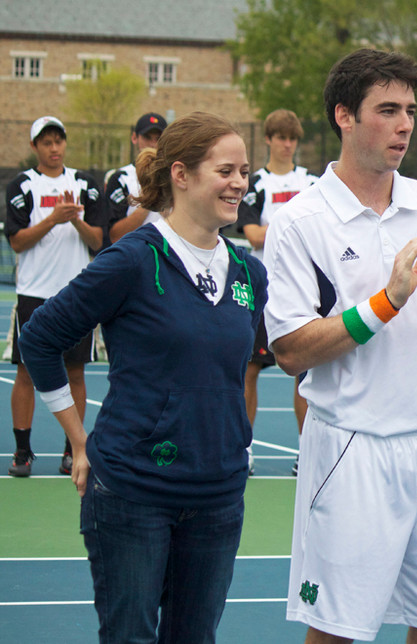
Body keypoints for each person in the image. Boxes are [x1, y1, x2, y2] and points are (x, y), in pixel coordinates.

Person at [263, 48, 417, 644]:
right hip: (350, 446)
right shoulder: (300, 219)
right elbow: (289, 349)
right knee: (337, 631)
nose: (404, 124)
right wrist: (385, 302)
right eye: (387, 110)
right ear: (344, 116)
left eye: (410, 110)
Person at [17, 111, 267, 643]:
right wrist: (78, 439)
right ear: (181, 174)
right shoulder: (131, 260)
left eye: (244, 170)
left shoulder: (250, 273)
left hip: (219, 496)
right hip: (133, 493)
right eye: (226, 170)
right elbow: (39, 338)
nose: (240, 182)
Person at [5, 116, 104, 477]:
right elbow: (16, 240)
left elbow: (97, 241)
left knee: (75, 372)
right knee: (27, 373)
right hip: (34, 292)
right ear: (34, 147)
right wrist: (53, 219)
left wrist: (75, 220)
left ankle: (72, 449)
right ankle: (22, 451)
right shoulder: (22, 185)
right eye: (46, 142)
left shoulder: (84, 184)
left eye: (58, 140)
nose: (54, 147)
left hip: (75, 292)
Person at [237, 108, 316, 475]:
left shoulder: (312, 182)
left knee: (305, 375)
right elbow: (252, 234)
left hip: (304, 292)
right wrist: (296, 225)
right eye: (281, 137)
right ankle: (244, 451)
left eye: (293, 138)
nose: (287, 144)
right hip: (261, 290)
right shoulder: (255, 184)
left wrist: (278, 226)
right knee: (249, 371)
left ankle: (308, 453)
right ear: (268, 139)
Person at [105, 112, 167, 244]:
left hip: (169, 257)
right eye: (147, 137)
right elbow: (114, 236)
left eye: (158, 138)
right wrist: (150, 198)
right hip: (134, 257)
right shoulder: (121, 178)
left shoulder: (177, 176)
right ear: (134, 138)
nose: (153, 144)